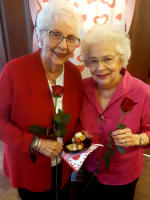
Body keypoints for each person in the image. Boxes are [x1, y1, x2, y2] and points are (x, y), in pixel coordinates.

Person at [0, 0, 83, 199]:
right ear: (40, 34)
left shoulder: (74, 74)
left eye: (71, 38)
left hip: (62, 165)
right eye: (55, 34)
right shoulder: (14, 71)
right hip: (30, 165)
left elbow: (76, 117)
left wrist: (81, 134)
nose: (64, 45)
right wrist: (36, 143)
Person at [79, 24, 150, 200]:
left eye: (107, 59)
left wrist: (136, 138)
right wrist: (79, 134)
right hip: (89, 170)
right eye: (93, 61)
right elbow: (75, 122)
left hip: (123, 177)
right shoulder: (82, 88)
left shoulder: (143, 92)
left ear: (121, 60)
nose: (100, 68)